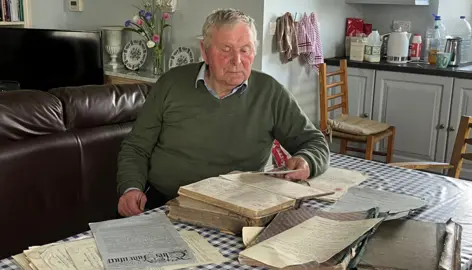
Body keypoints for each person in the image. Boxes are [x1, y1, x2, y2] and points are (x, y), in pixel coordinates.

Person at [116, 8, 330, 217]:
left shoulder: (270, 92)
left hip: (240, 209)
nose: (237, 60)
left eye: (245, 49)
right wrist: (131, 188)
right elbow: (136, 147)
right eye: (226, 49)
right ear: (205, 51)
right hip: (167, 203)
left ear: (254, 52)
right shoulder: (171, 84)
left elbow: (314, 143)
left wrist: (306, 160)